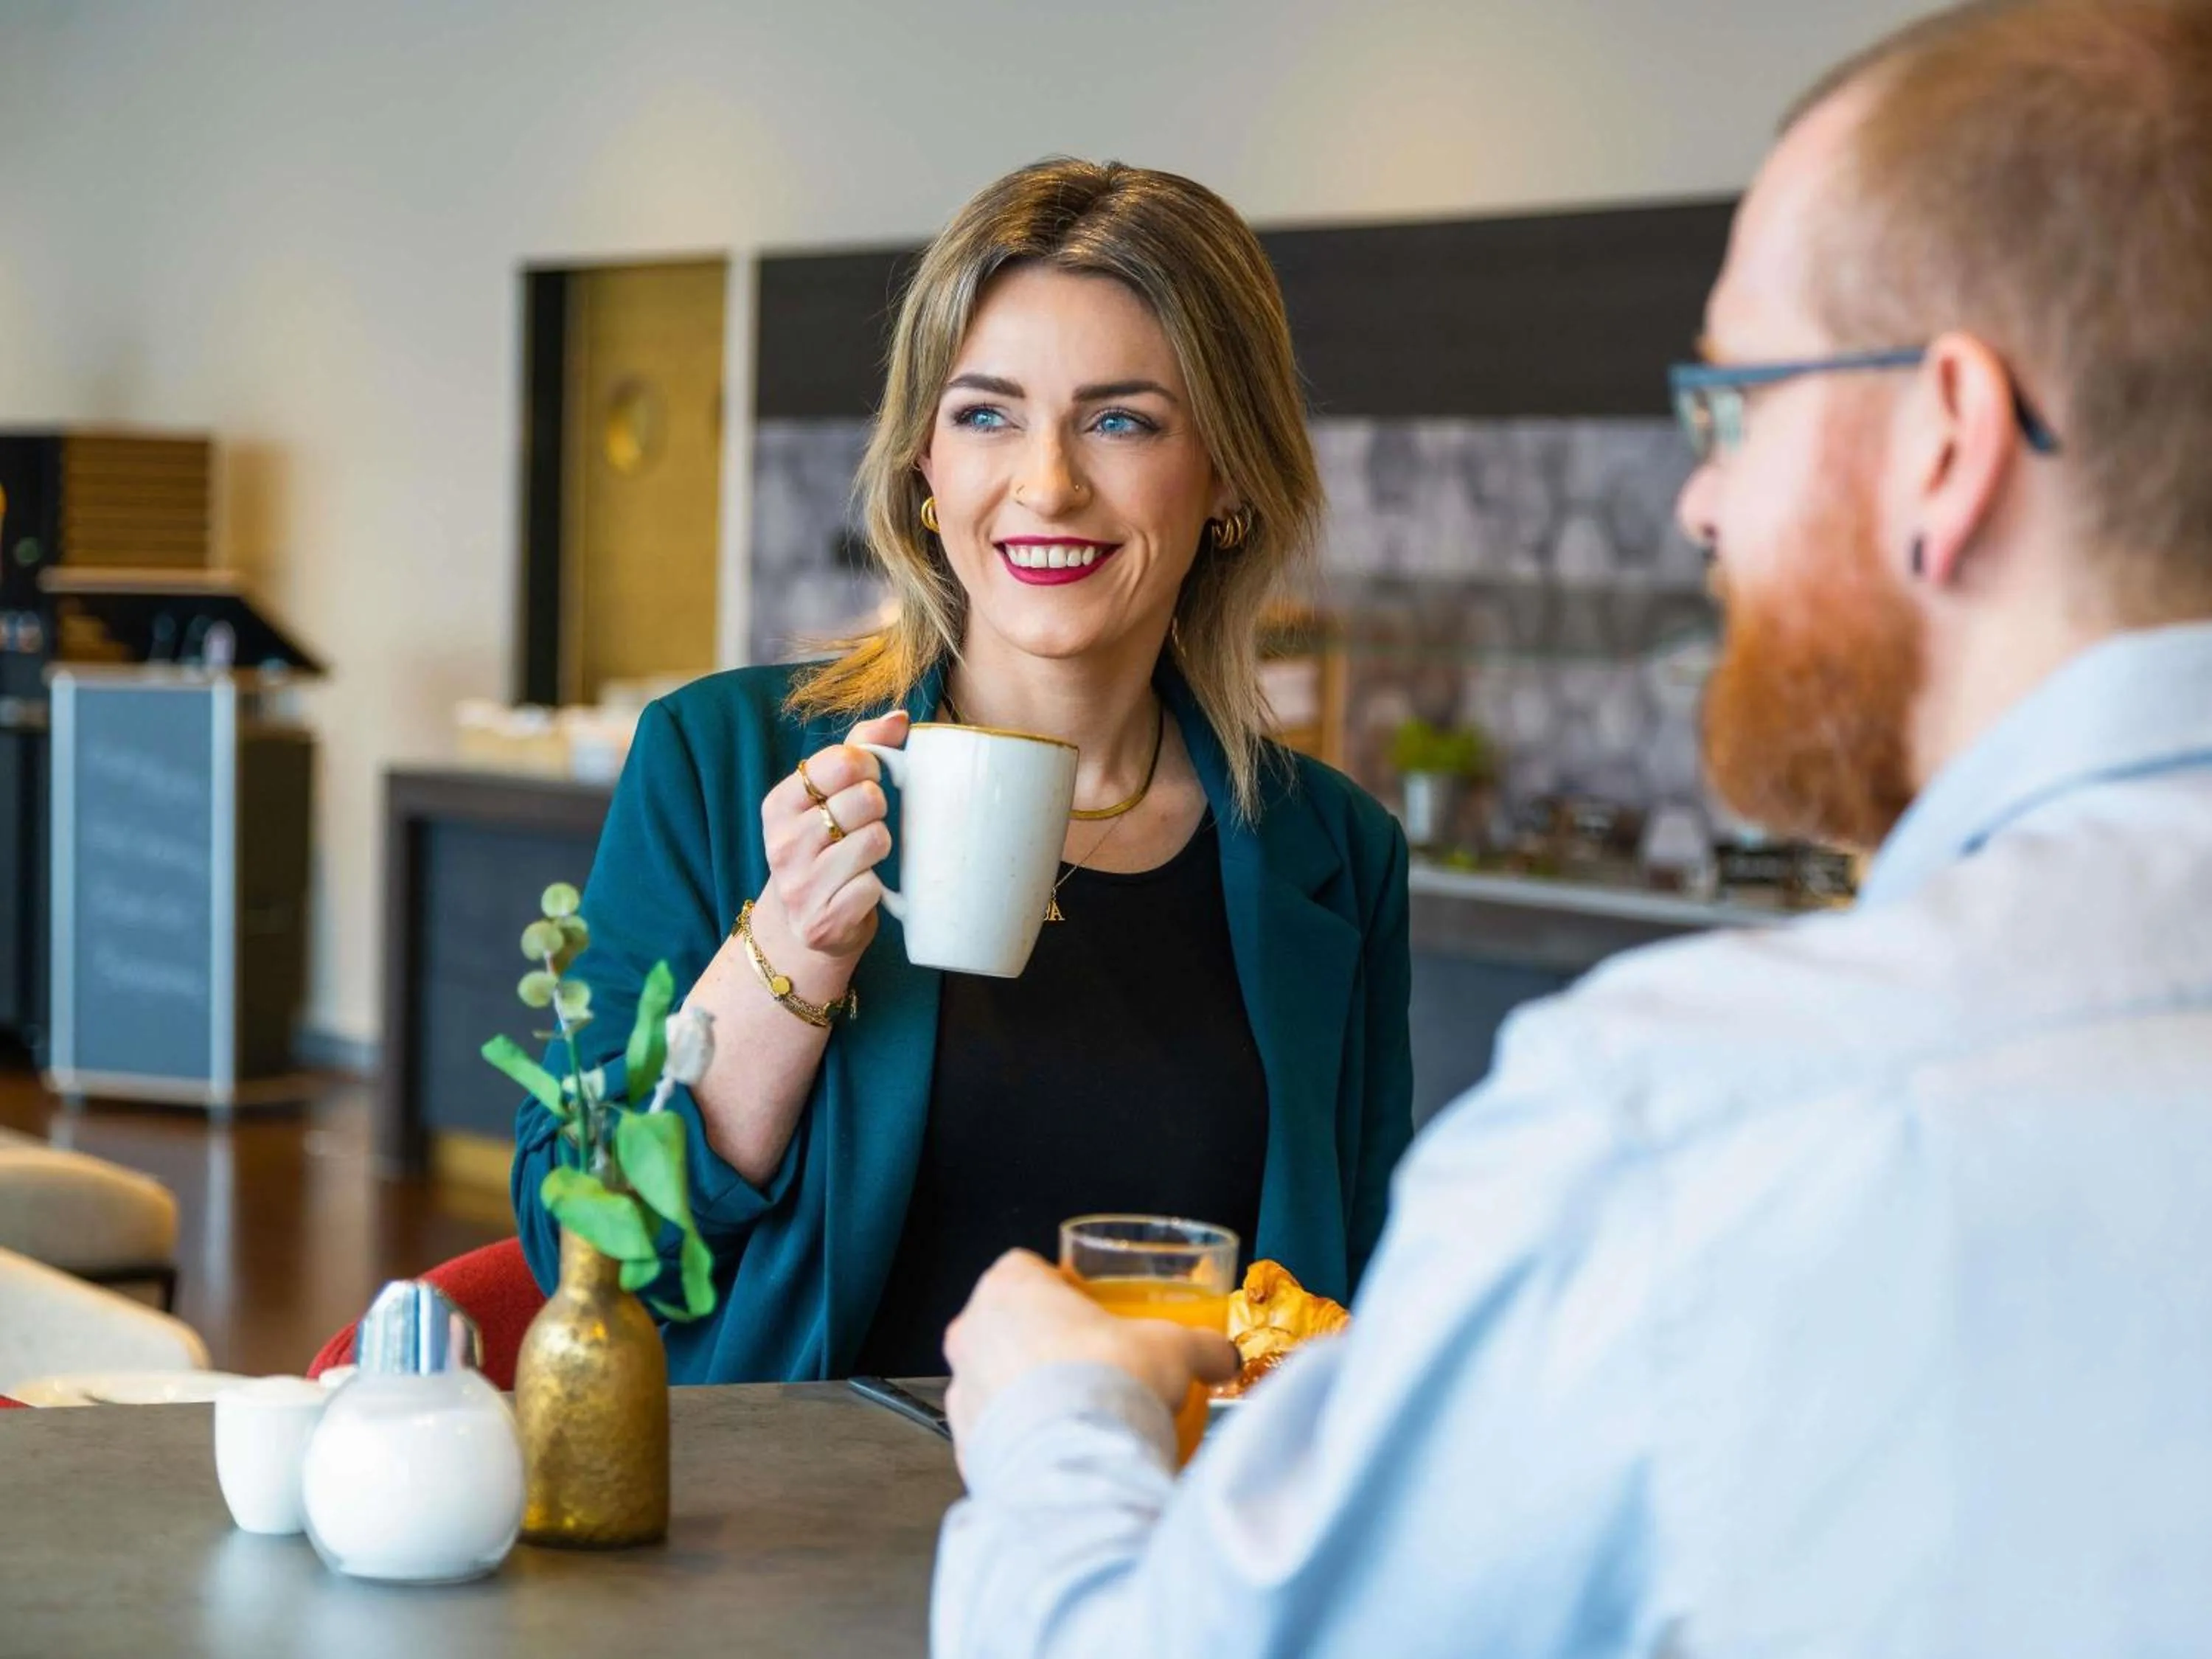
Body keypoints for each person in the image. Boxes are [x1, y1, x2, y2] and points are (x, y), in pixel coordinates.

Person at [932, 2, 2212, 1652]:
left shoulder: (1681, 1126)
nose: (1700, 501)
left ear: (1947, 445)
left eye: (1731, 404)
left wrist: (1057, 1415)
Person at [511, 159, 1413, 1382]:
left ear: (1231, 476)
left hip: (1162, 1534)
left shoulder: (1334, 854)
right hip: (806, 1545)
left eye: (1123, 419)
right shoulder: (722, 762)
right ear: (925, 468)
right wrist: (786, 954)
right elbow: (594, 1244)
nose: (1047, 482)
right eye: (987, 413)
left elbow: (1353, 1296)